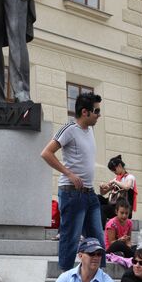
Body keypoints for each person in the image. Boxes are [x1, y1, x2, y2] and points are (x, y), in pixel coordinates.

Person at [41, 92, 105, 271]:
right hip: (72, 193)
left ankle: (98, 277)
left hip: (89, 193)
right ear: (85, 112)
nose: (99, 115)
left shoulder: (90, 130)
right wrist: (68, 173)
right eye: (96, 111)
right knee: (70, 238)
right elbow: (46, 153)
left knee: (98, 237)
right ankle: (65, 279)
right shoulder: (69, 129)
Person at [99, 155, 137, 228]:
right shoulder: (117, 179)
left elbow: (126, 187)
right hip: (114, 204)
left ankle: (102, 228)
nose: (114, 172)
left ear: (119, 166)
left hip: (123, 208)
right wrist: (102, 187)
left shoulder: (130, 177)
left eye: (114, 170)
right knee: (98, 198)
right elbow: (103, 193)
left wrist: (115, 182)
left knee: (103, 208)